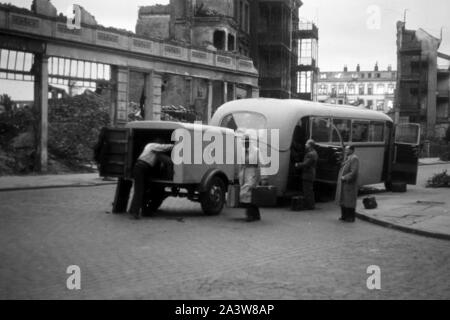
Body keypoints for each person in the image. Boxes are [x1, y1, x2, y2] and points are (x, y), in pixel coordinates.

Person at [129, 139, 174, 220]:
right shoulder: (151, 145)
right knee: (139, 190)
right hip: (141, 168)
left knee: (144, 190)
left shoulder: (156, 153)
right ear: (158, 143)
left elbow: (167, 161)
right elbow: (164, 148)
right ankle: (135, 213)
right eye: (160, 144)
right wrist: (176, 145)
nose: (160, 147)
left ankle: (142, 211)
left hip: (143, 169)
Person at [239, 133, 261, 222]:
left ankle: (249, 215)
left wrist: (257, 178)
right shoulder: (242, 151)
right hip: (244, 173)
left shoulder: (256, 151)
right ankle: (256, 214)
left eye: (247, 141)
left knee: (247, 193)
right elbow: (241, 164)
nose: (245, 143)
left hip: (252, 173)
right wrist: (239, 175)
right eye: (244, 141)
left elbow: (259, 165)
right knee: (250, 194)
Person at [336, 145, 360, 223]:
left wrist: (345, 177)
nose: (346, 151)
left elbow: (354, 172)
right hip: (344, 184)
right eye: (345, 149)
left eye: (347, 150)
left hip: (349, 184)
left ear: (352, 150)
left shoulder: (354, 158)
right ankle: (344, 216)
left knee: (349, 201)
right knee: (343, 200)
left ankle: (350, 217)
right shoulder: (348, 158)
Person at [295, 139, 319, 210]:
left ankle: (310, 205)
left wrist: (297, 164)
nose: (305, 145)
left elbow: (306, 164)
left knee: (307, 190)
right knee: (309, 190)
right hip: (310, 174)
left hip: (308, 174)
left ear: (310, 145)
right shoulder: (314, 152)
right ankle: (310, 204)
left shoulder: (311, 154)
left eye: (306, 144)